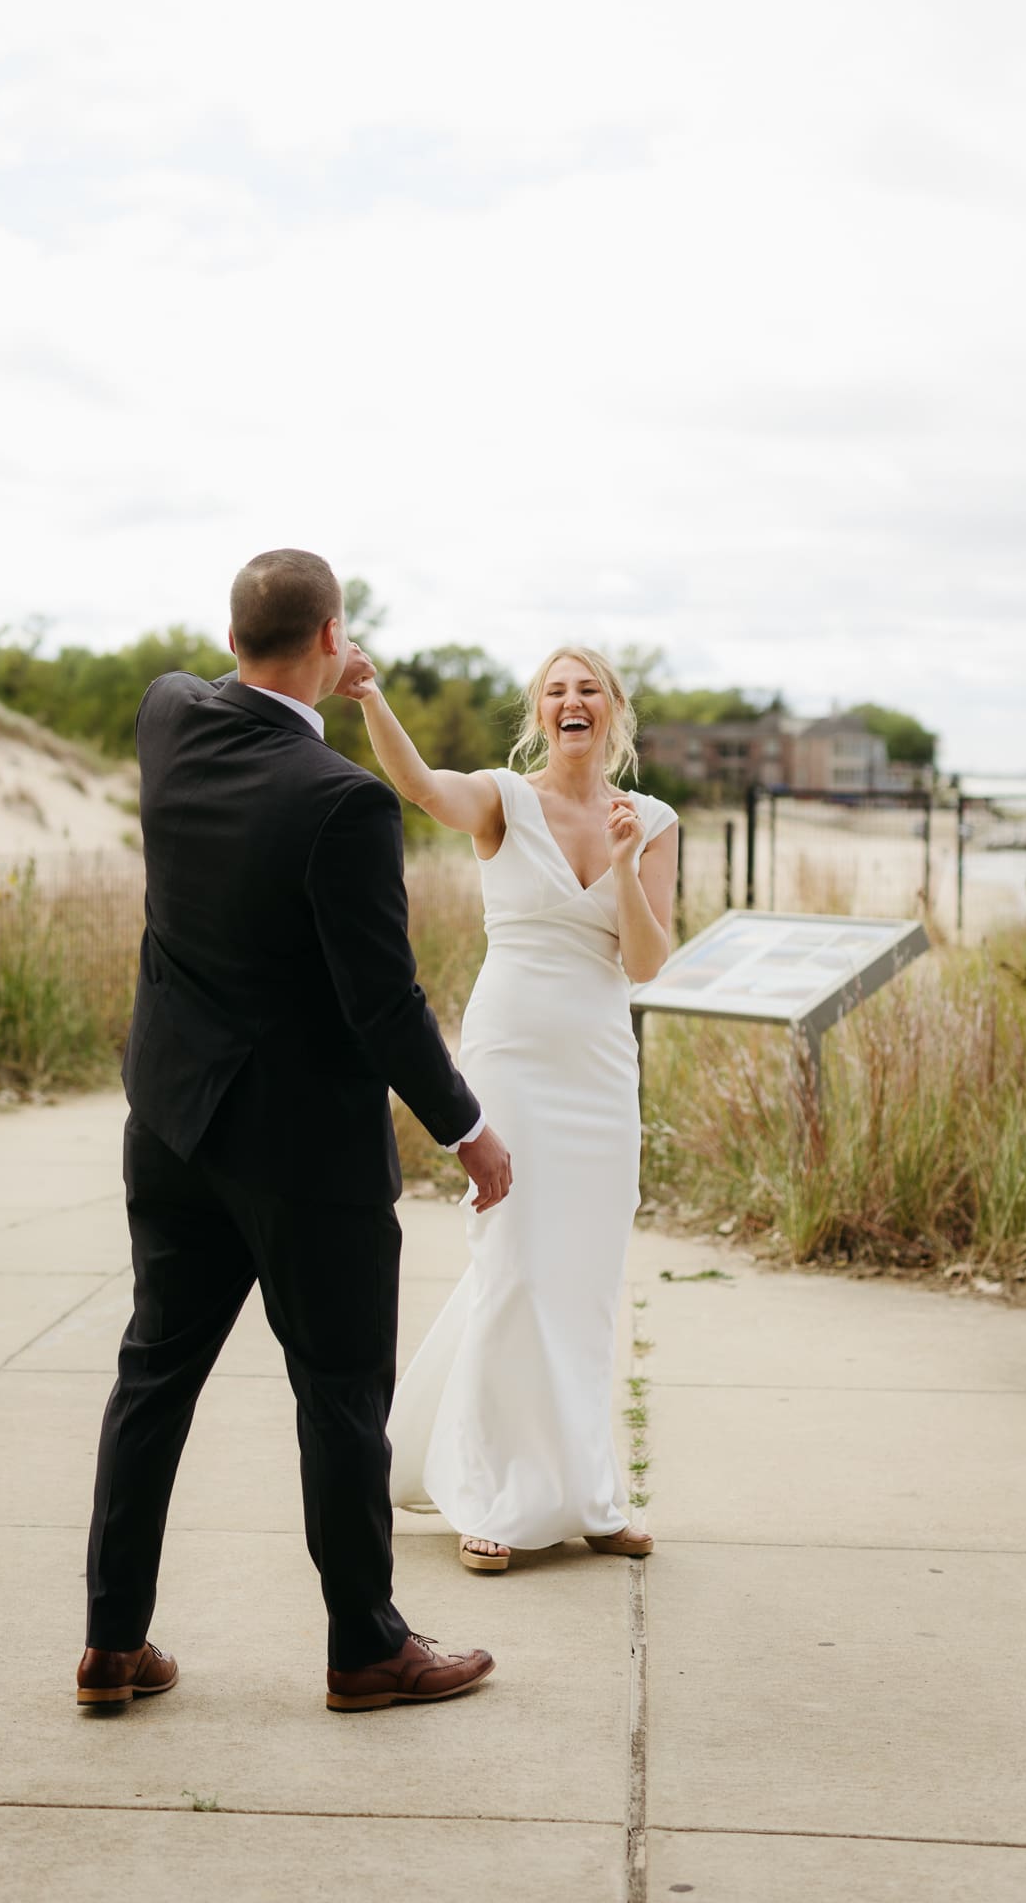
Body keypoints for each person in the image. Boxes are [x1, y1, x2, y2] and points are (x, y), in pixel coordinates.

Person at [78, 550, 511, 1713]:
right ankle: (366, 1646)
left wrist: (311, 660)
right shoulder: (342, 800)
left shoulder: (168, 723)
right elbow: (382, 1003)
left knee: (152, 1375)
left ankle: (111, 1642)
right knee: (337, 1391)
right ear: (332, 634)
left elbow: (189, 677)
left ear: (231, 638)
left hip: (172, 1123)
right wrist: (466, 1125)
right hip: (303, 1152)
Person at [339, 644, 677, 1572]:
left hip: (600, 1067)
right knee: (516, 1262)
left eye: (589, 689)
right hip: (513, 1058)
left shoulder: (648, 819)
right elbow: (417, 787)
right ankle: (486, 1491)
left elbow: (645, 964)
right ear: (540, 714)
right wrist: (369, 694)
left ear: (614, 711)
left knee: (584, 1278)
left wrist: (621, 858)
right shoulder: (502, 797)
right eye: (556, 691)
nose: (574, 702)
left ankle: (591, 1496)